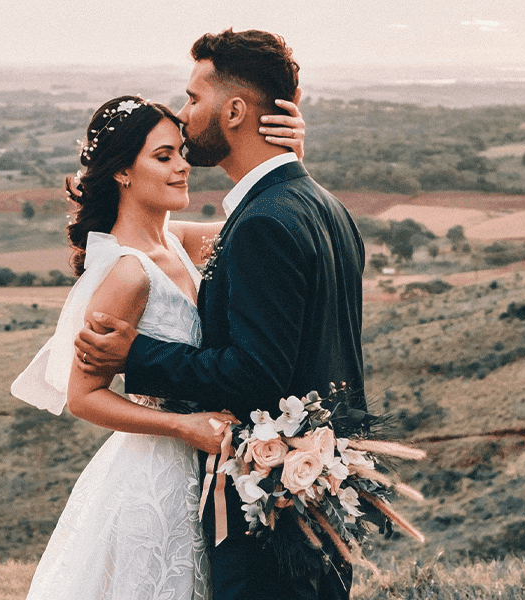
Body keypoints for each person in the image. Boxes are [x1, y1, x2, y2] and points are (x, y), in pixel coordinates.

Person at [76, 30, 367, 600]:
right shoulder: (326, 207)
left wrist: (136, 355)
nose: (185, 118)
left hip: (271, 516)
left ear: (234, 110)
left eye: (192, 98)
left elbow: (257, 374)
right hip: (315, 499)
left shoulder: (263, 223)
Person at [10, 93, 305, 599]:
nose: (183, 167)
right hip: (155, 475)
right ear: (123, 172)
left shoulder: (179, 242)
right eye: (163, 157)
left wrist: (290, 158)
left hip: (206, 469)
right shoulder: (126, 271)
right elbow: (84, 397)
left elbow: (268, 223)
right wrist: (181, 425)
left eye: (182, 154)